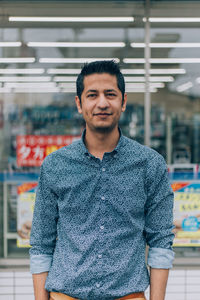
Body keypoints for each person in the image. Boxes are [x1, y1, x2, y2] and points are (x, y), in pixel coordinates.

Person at [30, 60, 174, 300]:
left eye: (110, 94)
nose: (102, 103)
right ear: (79, 103)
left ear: (123, 101)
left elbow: (161, 241)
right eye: (92, 95)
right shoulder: (55, 165)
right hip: (65, 295)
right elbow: (41, 244)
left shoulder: (149, 164)